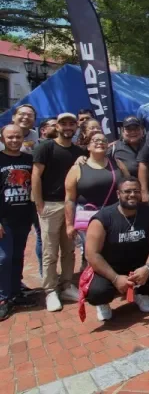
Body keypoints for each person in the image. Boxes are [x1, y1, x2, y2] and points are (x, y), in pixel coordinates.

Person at [84, 177, 149, 321]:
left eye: (136, 191)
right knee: (96, 292)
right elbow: (92, 254)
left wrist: (147, 268)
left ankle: (141, 295)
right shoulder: (103, 218)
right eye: (127, 191)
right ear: (118, 194)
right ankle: (103, 304)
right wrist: (116, 278)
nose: (132, 195)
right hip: (111, 268)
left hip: (139, 266)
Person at [32, 113, 86, 312]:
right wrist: (39, 203)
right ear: (58, 126)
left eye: (72, 123)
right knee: (50, 251)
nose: (68, 127)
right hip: (50, 204)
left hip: (71, 205)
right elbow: (36, 175)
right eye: (64, 123)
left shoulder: (78, 151)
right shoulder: (45, 147)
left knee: (69, 249)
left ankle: (66, 285)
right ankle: (50, 290)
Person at [64, 132, 124, 272]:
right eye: (95, 140)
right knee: (92, 251)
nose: (100, 143)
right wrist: (69, 224)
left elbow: (128, 184)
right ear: (88, 146)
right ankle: (93, 282)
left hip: (114, 215)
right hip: (88, 218)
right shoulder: (77, 168)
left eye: (103, 140)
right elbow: (69, 198)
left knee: (115, 249)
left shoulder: (117, 164)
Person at [0, 125, 36, 321]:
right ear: (3, 138)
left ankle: (15, 293)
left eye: (17, 136)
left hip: (22, 218)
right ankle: (3, 298)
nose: (14, 140)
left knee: (16, 257)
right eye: (10, 137)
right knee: (3, 259)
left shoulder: (28, 159)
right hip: (3, 219)